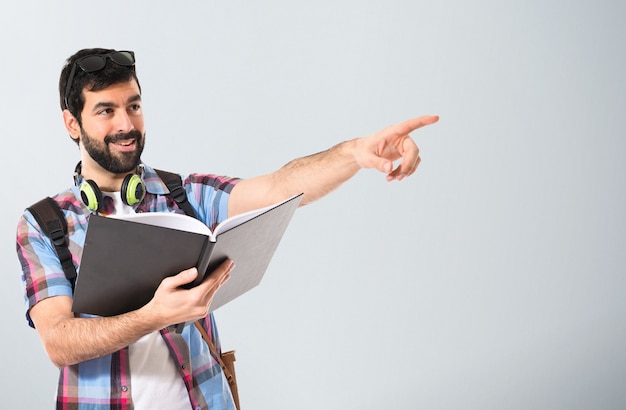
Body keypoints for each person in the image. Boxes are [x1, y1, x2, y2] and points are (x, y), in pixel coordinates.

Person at [15, 48, 438, 409]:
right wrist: (153, 316)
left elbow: (280, 186)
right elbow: (60, 341)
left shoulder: (184, 195)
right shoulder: (44, 225)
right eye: (106, 110)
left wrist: (355, 153)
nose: (126, 124)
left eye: (134, 105)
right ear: (72, 123)